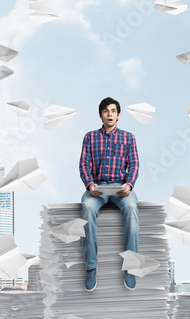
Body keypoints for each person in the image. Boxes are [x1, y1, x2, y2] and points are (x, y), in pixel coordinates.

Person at [79, 97, 140, 292]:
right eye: (106, 111)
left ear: (118, 115)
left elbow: (134, 164)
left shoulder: (128, 137)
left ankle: (130, 267)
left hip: (121, 188)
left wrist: (129, 185)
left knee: (131, 207)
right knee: (87, 208)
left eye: (113, 111)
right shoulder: (90, 137)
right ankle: (91, 267)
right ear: (101, 115)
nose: (110, 114)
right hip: (97, 187)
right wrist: (90, 185)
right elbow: (83, 164)